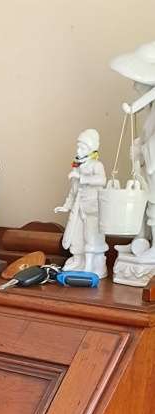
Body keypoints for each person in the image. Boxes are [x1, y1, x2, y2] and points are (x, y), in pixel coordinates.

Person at [110, 41, 155, 285]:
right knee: (141, 201)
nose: (135, 85)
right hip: (148, 163)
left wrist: (144, 151)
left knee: (153, 205)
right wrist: (139, 149)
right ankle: (140, 239)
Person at [54, 129, 108, 277]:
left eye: (83, 148)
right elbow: (73, 190)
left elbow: (102, 180)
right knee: (76, 235)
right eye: (78, 147)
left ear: (91, 149)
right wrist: (66, 206)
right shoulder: (77, 167)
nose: (78, 151)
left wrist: (82, 178)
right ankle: (78, 260)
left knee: (91, 236)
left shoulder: (96, 165)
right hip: (78, 207)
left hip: (92, 208)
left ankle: (91, 264)